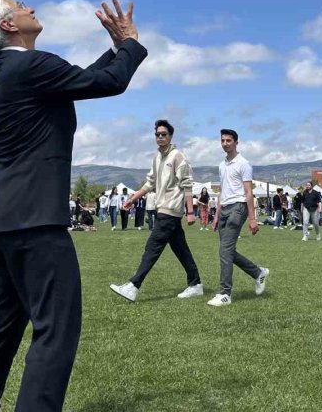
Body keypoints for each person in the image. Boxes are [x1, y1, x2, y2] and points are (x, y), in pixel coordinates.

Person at [0, 0, 146, 412]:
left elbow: (84, 78)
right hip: (33, 219)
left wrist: (117, 49)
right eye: (20, 5)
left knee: (2, 327)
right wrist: (131, 44)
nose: (30, 7)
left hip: (6, 216)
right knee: (56, 330)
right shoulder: (30, 66)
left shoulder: (13, 69)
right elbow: (107, 82)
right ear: (9, 25)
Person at [110, 119, 202, 302]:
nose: (160, 137)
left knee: (152, 247)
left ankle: (133, 286)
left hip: (170, 209)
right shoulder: (157, 158)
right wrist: (133, 199)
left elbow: (187, 185)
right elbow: (150, 183)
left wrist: (191, 212)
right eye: (157, 134)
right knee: (180, 248)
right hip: (162, 209)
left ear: (170, 136)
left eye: (163, 134)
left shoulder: (178, 157)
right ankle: (195, 284)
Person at [207, 129, 268, 307]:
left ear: (236, 143)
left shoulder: (244, 164)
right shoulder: (222, 165)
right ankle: (258, 273)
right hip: (224, 209)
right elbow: (222, 191)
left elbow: (249, 192)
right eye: (222, 140)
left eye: (228, 140)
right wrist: (216, 215)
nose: (225, 143)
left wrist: (252, 218)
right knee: (227, 252)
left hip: (238, 208)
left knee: (224, 251)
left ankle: (225, 294)